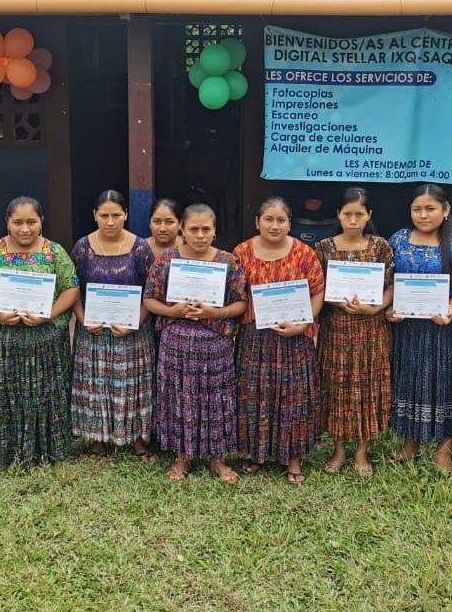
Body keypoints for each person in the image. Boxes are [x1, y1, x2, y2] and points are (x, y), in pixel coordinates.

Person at [0, 197, 80, 469]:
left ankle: (48, 450)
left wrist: (49, 314)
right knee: (2, 395)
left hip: (46, 340)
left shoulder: (54, 252)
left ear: (41, 222)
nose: (25, 229)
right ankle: (5, 451)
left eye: (31, 221)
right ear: (7, 222)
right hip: (2, 340)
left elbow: (72, 288)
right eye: (17, 222)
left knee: (45, 395)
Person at [144, 203, 247, 484]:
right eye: (193, 229)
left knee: (217, 400)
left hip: (216, 344)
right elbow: (149, 299)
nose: (200, 235)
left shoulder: (228, 261)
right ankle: (182, 455)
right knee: (181, 399)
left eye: (206, 229)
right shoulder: (167, 260)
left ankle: (218, 458)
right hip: (176, 341)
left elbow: (241, 303)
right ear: (182, 230)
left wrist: (216, 313)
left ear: (214, 231)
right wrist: (173, 311)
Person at [387, 184, 452, 473]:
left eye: (430, 208)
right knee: (411, 381)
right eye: (417, 209)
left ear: (446, 210)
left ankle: (444, 451)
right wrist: (390, 309)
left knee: (448, 385)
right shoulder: (399, 240)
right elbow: (390, 281)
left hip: (448, 328)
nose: (423, 215)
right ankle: (410, 445)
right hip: (409, 329)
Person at [233, 196, 325, 486]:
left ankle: (293, 458)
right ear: (257, 221)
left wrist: (302, 324)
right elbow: (235, 294)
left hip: (293, 339)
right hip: (255, 337)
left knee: (293, 398)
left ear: (289, 223)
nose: (275, 226)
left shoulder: (304, 253)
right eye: (269, 219)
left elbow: (318, 292)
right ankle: (259, 454)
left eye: (281, 220)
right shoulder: (242, 252)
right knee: (257, 395)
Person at [70, 190, 156, 461]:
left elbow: (151, 292)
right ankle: (97, 438)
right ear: (95, 215)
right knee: (95, 384)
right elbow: (73, 288)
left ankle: (137, 439)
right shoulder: (83, 247)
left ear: (126, 215)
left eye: (116, 215)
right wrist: (83, 321)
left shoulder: (140, 248)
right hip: (93, 332)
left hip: (132, 333)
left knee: (133, 385)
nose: (110, 221)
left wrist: (136, 323)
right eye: (104, 215)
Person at [315, 187, 394, 477]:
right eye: (347, 214)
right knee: (337, 386)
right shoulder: (324, 247)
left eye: (359, 214)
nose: (352, 220)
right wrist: (336, 300)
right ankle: (338, 449)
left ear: (369, 215)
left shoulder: (381, 246)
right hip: (337, 328)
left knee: (367, 387)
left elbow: (391, 286)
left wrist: (375, 309)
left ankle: (362, 452)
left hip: (371, 329)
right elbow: (317, 288)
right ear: (338, 214)